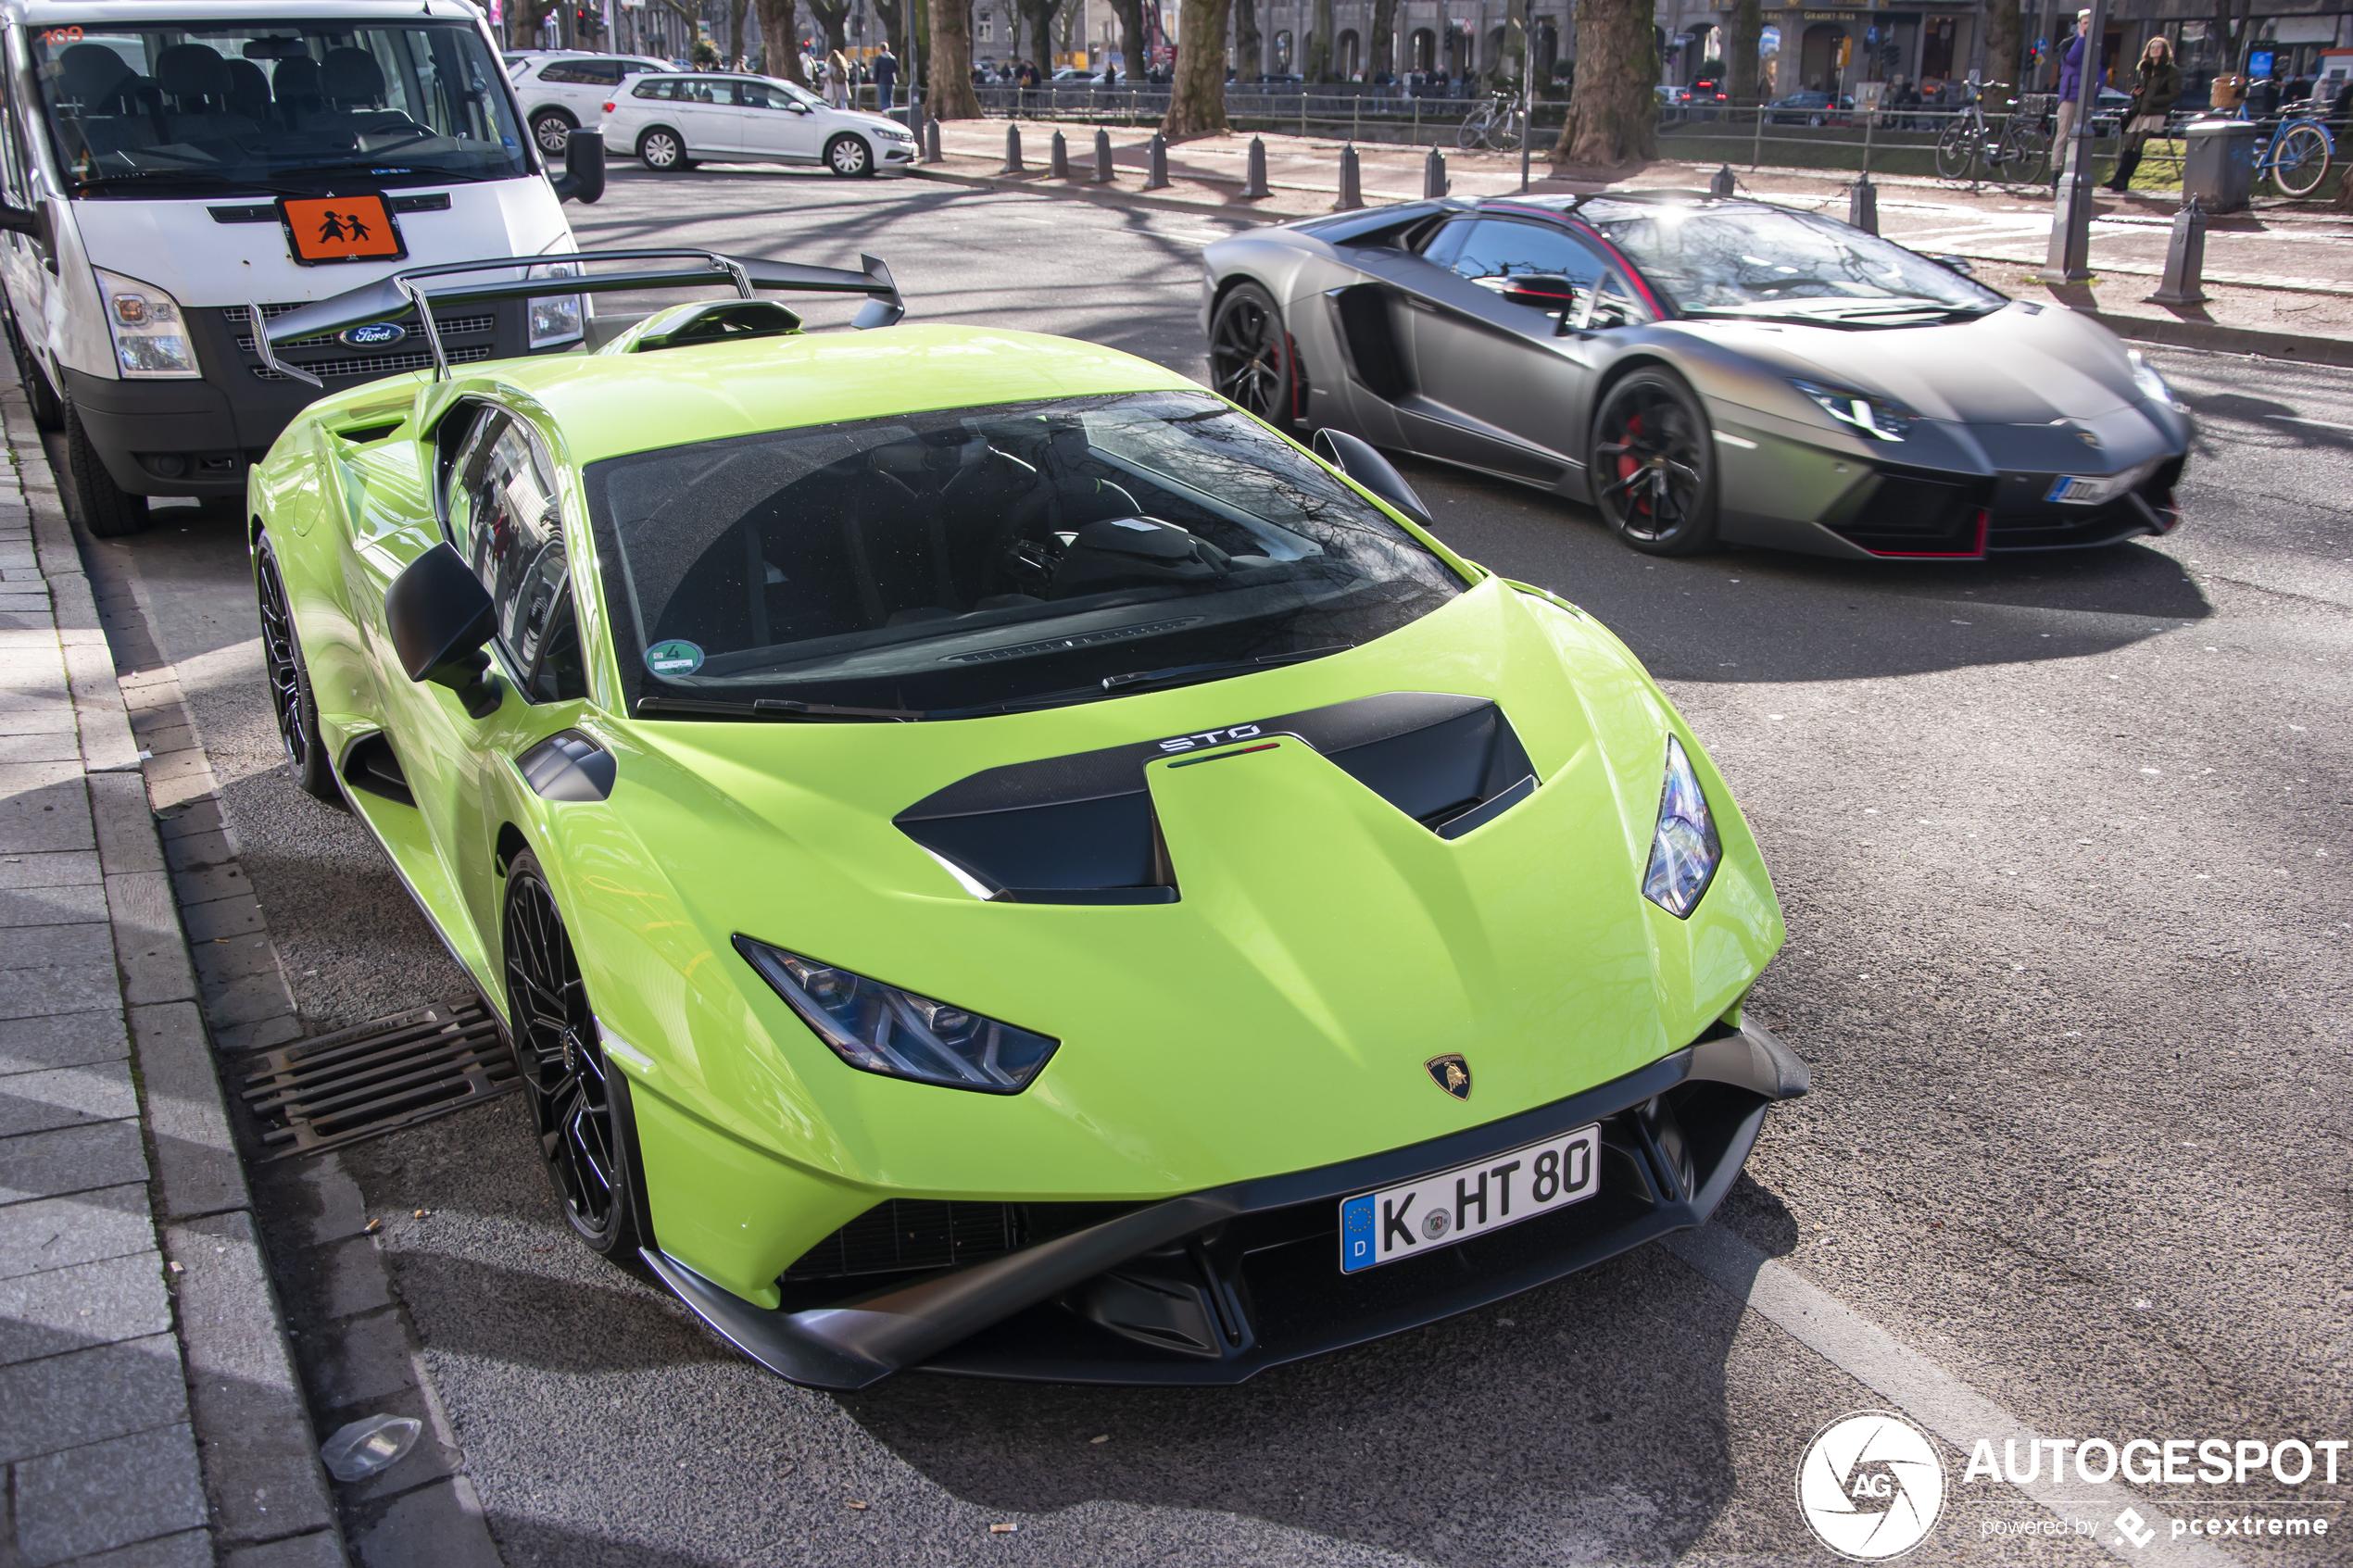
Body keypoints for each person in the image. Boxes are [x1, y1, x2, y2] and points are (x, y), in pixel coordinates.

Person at [2106, 35, 2178, 191]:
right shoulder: (2144, 68)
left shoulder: (2171, 70)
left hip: (2155, 111)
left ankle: (2123, 180)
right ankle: (2119, 178)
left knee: (2139, 144)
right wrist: (2136, 94)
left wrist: (2153, 100)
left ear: (2164, 50)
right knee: (2129, 143)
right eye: (2152, 47)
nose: (2155, 50)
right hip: (2140, 110)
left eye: (2159, 47)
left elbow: (2174, 94)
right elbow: (2139, 91)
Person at [2052, 9, 2090, 187]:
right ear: (2079, 24)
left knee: (2082, 137)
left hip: (2086, 97)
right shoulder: (2068, 43)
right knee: (2063, 135)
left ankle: (2075, 172)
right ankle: (2055, 172)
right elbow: (2071, 60)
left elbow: (2101, 69)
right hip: (2069, 97)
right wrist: (2081, 40)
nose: (2088, 26)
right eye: (2085, 22)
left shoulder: (2096, 46)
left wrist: (2095, 90)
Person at [872, 43, 897, 111]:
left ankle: (885, 112)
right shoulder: (892, 58)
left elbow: (876, 71)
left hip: (881, 80)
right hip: (891, 80)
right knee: (890, 99)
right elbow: (896, 67)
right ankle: (891, 112)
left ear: (880, 49)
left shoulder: (879, 59)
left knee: (883, 99)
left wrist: (875, 80)